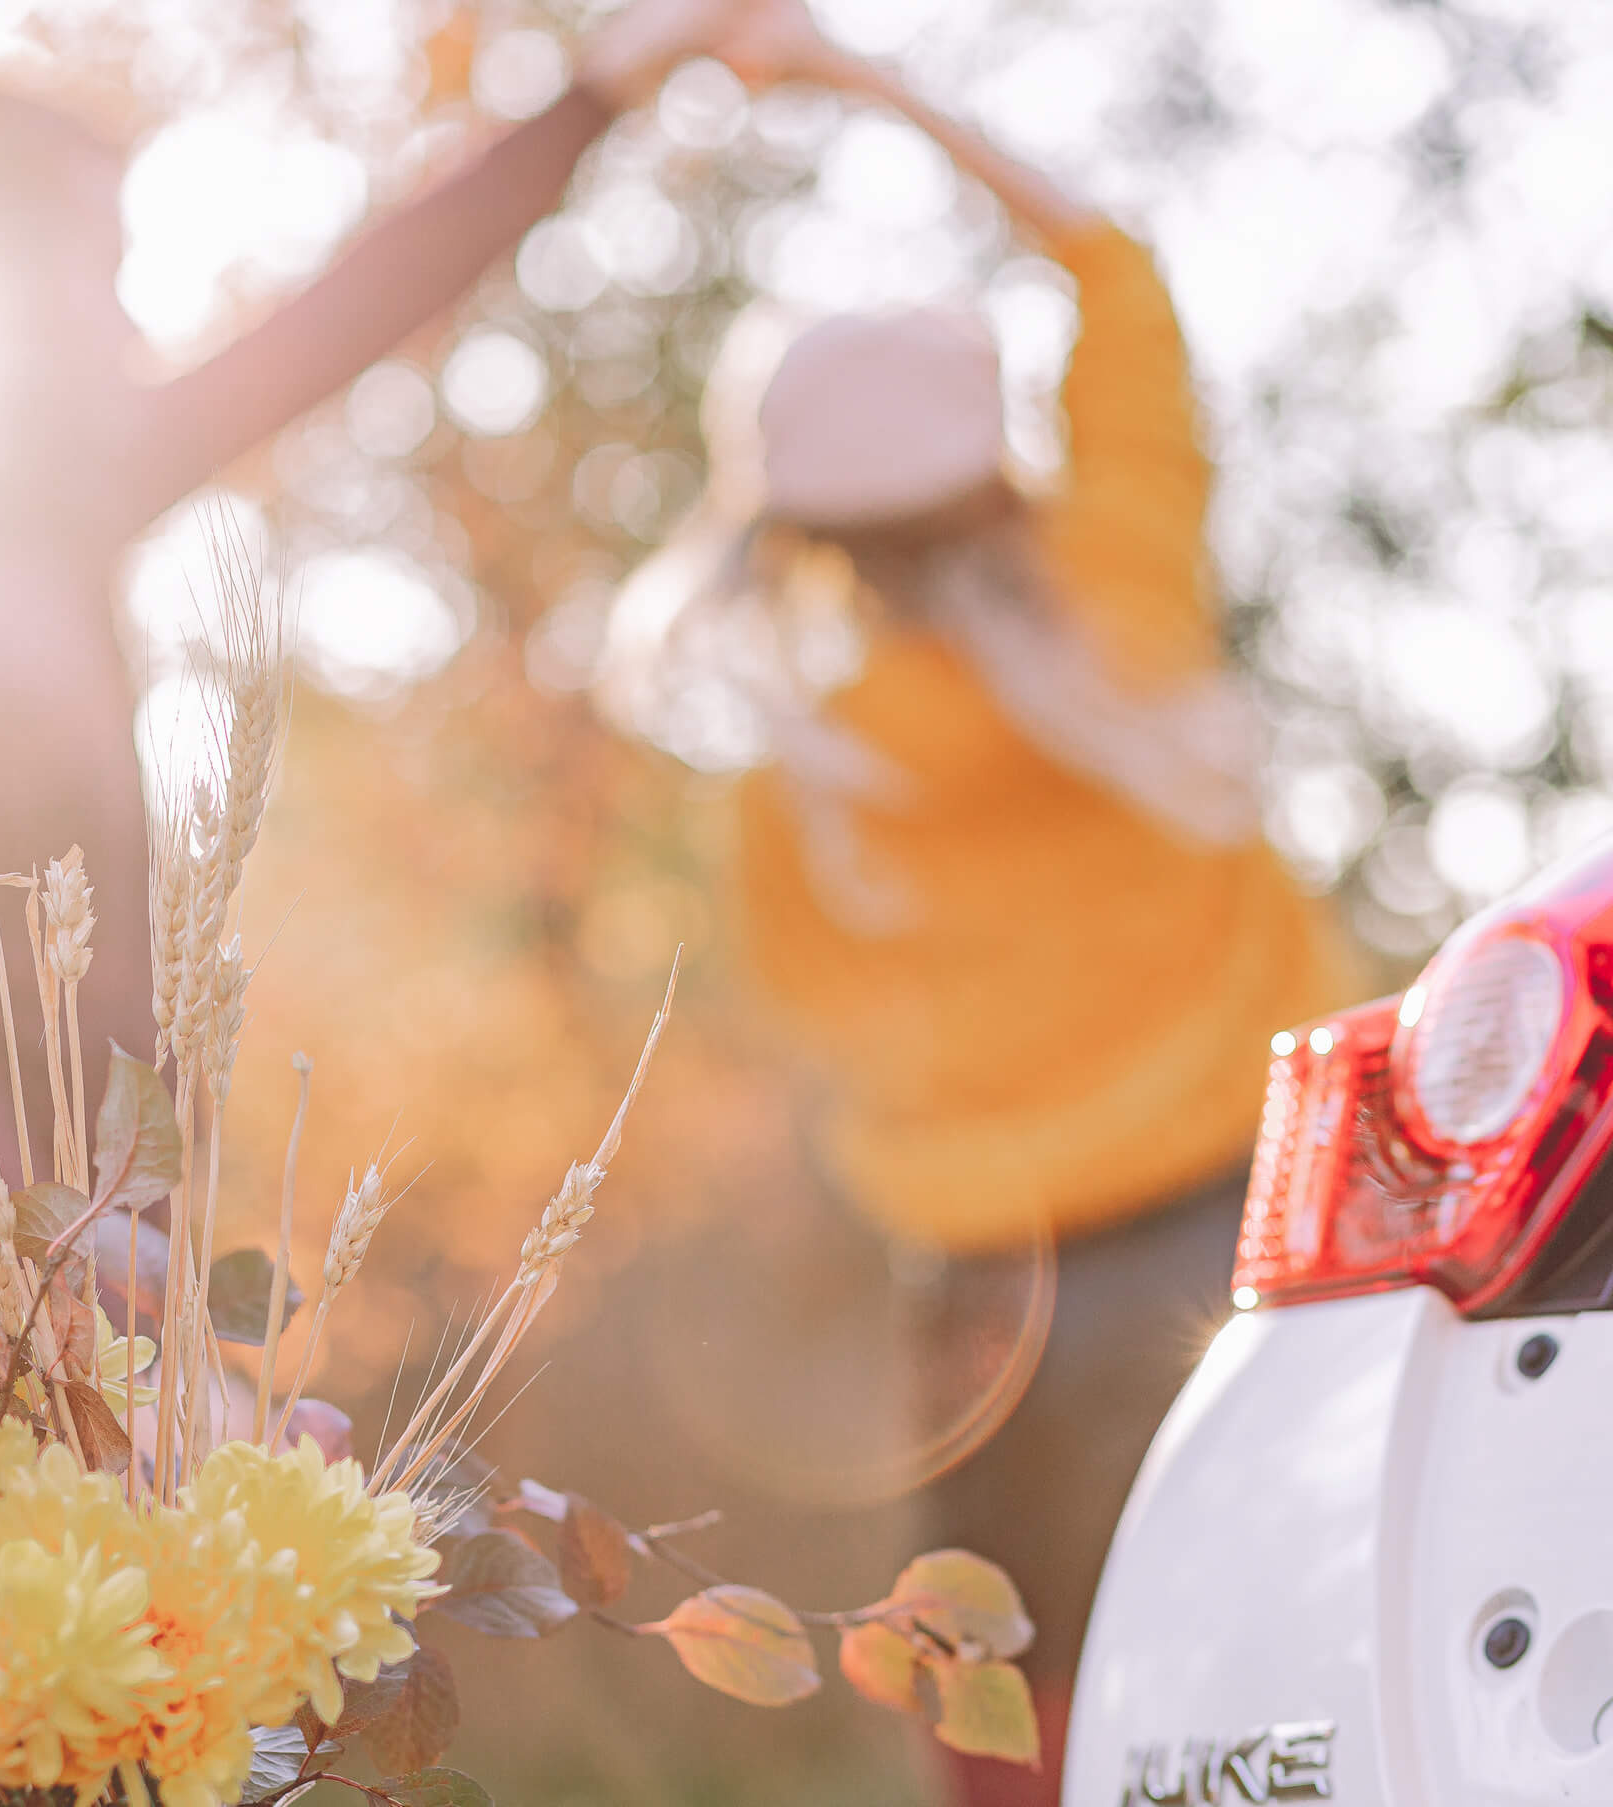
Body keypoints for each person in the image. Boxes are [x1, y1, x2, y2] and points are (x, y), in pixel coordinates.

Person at [0, 0, 798, 1238]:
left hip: (79, 1276)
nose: (134, 324)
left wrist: (607, 84)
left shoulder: (61, 513)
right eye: (103, 273)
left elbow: (343, 318)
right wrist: (68, 1276)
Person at [603, 27, 1364, 1807]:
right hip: (1271, 1234)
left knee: (1024, 1723)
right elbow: (1114, 264)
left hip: (995, 1315)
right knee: (1319, 1679)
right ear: (1001, 471)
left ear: (788, 532)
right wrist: (855, 74)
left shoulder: (799, 790)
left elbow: (810, 1030)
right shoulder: (1126, 611)